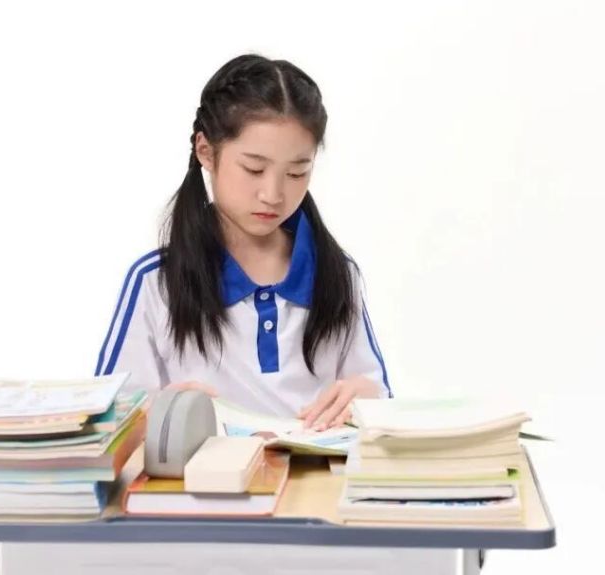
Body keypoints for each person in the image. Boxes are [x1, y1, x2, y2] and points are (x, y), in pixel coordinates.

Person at [96, 54, 391, 431]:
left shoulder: (335, 274)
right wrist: (155, 415)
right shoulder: (157, 281)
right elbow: (108, 426)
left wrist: (367, 398)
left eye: (297, 172)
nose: (273, 194)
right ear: (206, 151)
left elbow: (379, 403)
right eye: (254, 169)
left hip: (317, 468)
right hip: (203, 470)